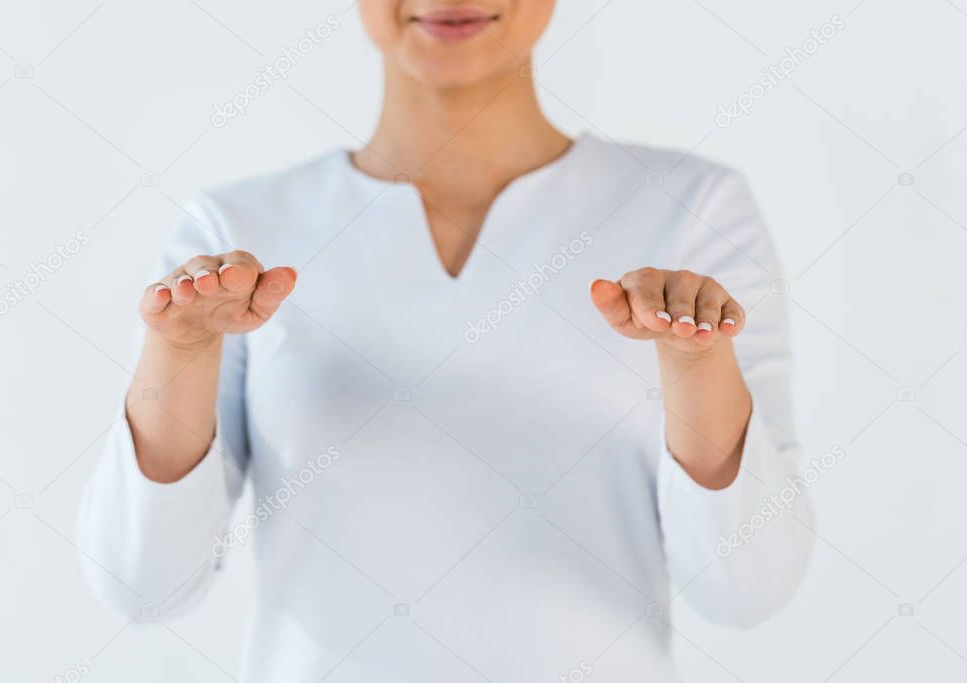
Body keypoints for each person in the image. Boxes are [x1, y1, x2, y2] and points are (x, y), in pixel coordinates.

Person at [77, 2, 812, 680]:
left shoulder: (692, 210)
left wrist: (694, 362)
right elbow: (143, 586)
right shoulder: (233, 229)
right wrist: (180, 355)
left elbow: (745, 588)